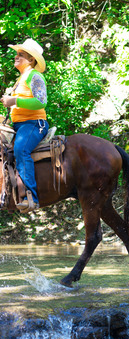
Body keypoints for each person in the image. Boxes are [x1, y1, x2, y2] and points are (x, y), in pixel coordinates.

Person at [0, 38, 49, 213]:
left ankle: (30, 197)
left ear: (31, 60)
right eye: (17, 54)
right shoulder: (21, 79)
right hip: (20, 125)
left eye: (21, 55)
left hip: (35, 124)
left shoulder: (34, 75)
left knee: (21, 149)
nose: (17, 57)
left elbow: (41, 102)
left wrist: (14, 100)